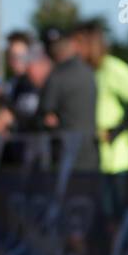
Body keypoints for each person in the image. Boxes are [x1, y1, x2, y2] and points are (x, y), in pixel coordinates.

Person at [75, 20, 128, 218]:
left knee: (115, 218)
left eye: (79, 43)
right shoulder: (86, 72)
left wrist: (120, 130)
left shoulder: (111, 67)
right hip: (93, 160)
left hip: (116, 162)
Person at [38, 25, 99, 171]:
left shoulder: (57, 76)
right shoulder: (88, 72)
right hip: (90, 154)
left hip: (64, 157)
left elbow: (46, 118)